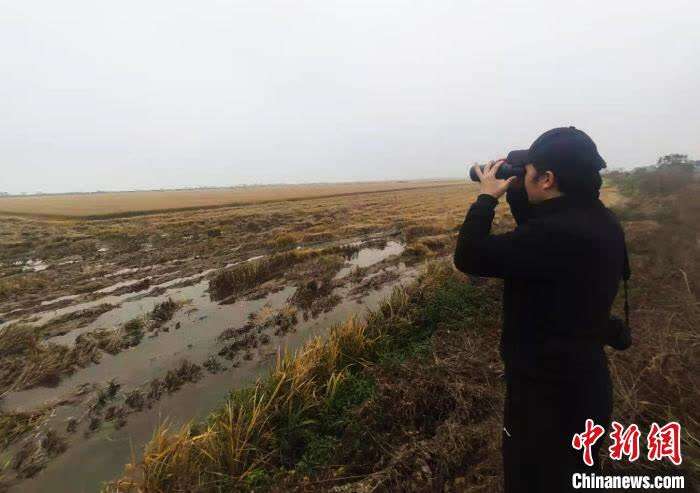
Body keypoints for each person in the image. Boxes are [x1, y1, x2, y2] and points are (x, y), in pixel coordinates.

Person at [453, 127, 629, 492]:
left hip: (545, 400)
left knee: (532, 479)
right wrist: (521, 192)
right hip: (586, 383)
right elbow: (539, 236)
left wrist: (487, 197)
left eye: (530, 171)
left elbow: (470, 255)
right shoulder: (601, 221)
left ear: (547, 179)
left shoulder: (554, 236)